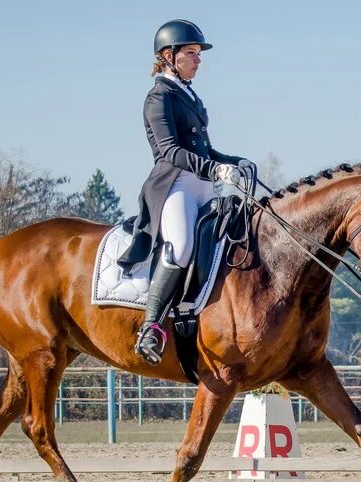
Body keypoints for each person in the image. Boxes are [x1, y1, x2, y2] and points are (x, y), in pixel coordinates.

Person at [118, 19, 252, 365]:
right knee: (180, 247)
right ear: (168, 55)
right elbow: (170, 151)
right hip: (175, 184)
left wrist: (234, 161)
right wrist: (214, 169)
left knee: (230, 238)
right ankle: (151, 327)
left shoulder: (188, 94)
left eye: (197, 53)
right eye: (191, 53)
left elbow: (204, 149)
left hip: (202, 183)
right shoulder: (158, 96)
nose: (198, 59)